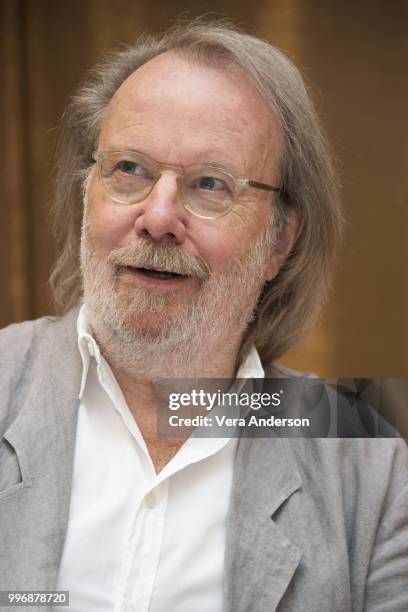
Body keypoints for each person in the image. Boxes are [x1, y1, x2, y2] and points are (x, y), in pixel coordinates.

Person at [0, 20, 407, 612]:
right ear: (88, 192)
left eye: (210, 184)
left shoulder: (368, 465)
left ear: (279, 241)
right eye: (130, 170)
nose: (159, 216)